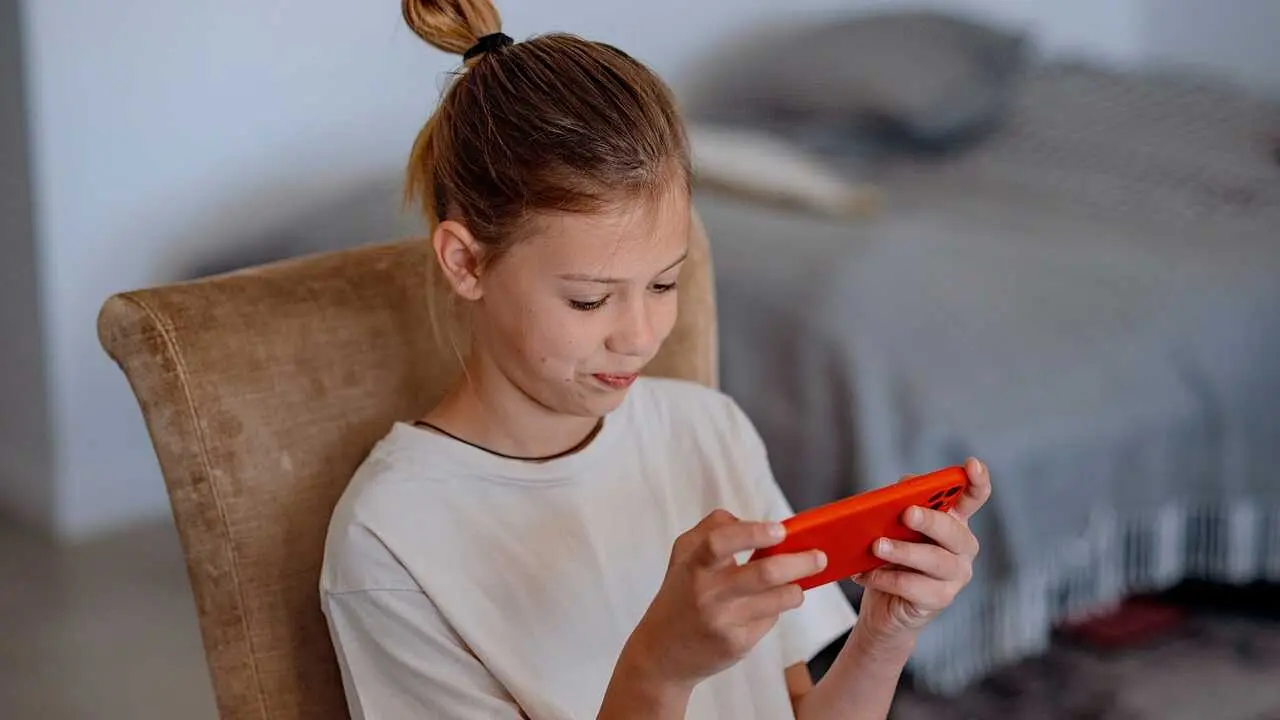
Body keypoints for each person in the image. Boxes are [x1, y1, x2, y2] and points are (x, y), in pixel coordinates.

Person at [320, 1, 992, 718]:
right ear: (465, 262)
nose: (641, 335)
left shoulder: (706, 429)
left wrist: (884, 634)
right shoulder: (391, 540)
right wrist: (658, 673)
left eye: (665, 283)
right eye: (589, 300)